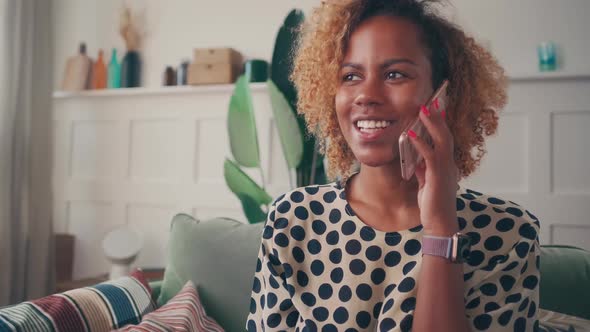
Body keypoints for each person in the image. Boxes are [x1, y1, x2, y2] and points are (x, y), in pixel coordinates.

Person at [246, 0, 540, 331]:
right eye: (351, 75)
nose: (366, 95)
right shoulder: (293, 218)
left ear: (444, 94)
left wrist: (441, 227)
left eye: (394, 74)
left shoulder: (507, 234)